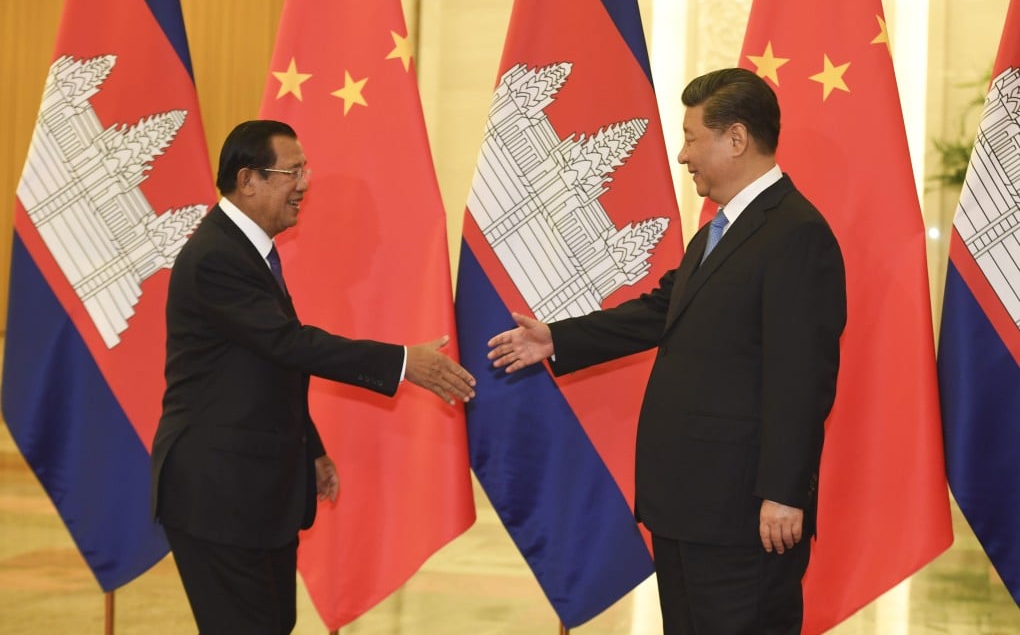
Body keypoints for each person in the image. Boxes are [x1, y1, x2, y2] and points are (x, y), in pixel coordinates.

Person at [487, 68, 847, 634]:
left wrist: (783, 492)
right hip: (687, 505)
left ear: (735, 139)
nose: (683, 156)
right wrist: (558, 337)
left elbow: (801, 378)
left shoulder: (796, 233)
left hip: (742, 513)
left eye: (691, 137)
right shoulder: (719, 228)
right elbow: (662, 309)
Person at [151, 120, 476, 634]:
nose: (304, 184)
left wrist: (311, 448)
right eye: (293, 171)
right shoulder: (216, 257)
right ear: (248, 180)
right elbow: (289, 344)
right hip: (217, 494)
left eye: (306, 170)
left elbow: (269, 365)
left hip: (255, 490)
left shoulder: (250, 252)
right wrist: (401, 363)